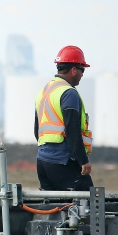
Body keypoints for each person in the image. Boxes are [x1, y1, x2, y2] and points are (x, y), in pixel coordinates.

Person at [34, 45, 93, 191]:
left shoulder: (44, 91)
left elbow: (37, 130)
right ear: (74, 70)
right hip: (63, 161)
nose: (82, 74)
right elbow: (72, 131)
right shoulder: (68, 93)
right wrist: (83, 161)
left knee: (53, 207)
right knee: (88, 201)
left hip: (42, 162)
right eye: (82, 70)